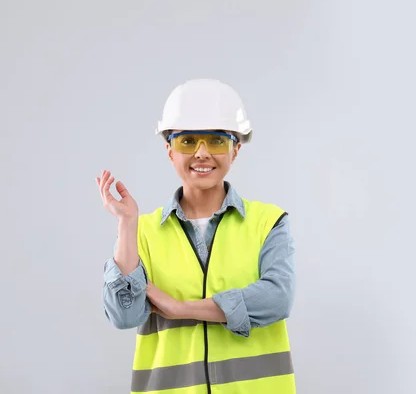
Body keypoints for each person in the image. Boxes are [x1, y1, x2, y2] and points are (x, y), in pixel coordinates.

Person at [95, 78, 297, 394]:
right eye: (187, 141)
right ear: (169, 151)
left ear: (236, 149)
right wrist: (126, 223)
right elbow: (124, 315)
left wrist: (182, 308)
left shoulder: (268, 223)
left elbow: (277, 298)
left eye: (216, 140)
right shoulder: (143, 232)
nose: (202, 154)